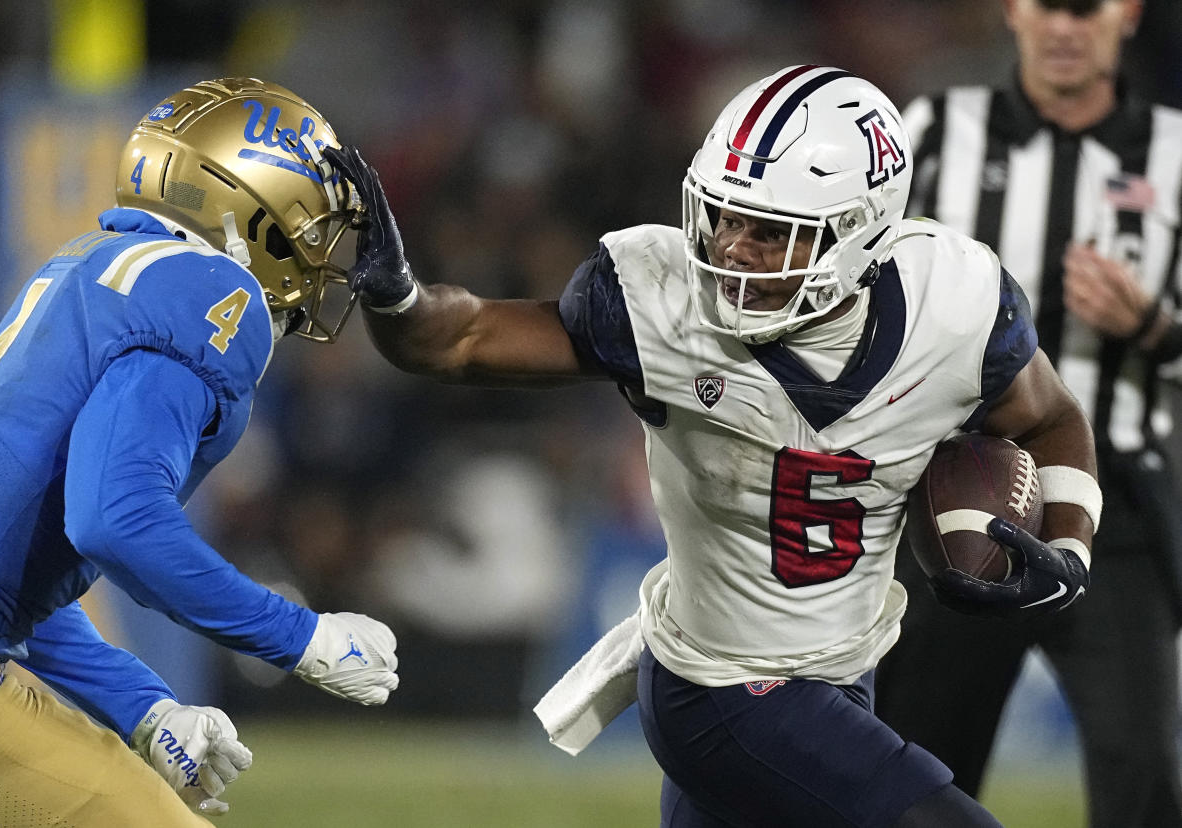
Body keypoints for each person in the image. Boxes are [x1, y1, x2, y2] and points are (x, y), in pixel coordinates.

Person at [327, 64, 1101, 827]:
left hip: (845, 671)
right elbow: (459, 341)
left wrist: (1069, 549)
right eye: (723, 216)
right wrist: (399, 295)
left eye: (770, 232)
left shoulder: (955, 305)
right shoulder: (656, 302)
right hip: (720, 687)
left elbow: (1049, 417)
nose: (731, 249)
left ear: (860, 235)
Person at [0, 78, 399, 825]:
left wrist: (144, 707)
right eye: (314, 229)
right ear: (256, 211)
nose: (323, 258)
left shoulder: (92, 263)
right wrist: (299, 636)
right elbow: (114, 518)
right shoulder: (213, 291)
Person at [873, 2, 1182, 824]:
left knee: (1146, 772)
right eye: (1048, 3)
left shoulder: (1176, 152)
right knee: (919, 766)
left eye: (1088, 6)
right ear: (1012, 9)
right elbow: (858, 288)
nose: (1066, 26)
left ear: (1129, 12)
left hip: (1117, 509)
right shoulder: (932, 129)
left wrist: (1152, 327)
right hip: (955, 485)